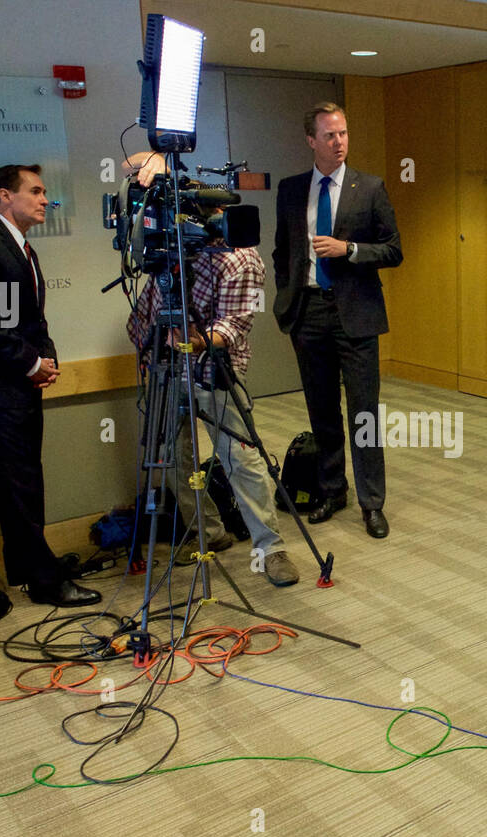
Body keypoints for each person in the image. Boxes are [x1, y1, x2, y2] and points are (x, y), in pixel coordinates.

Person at [125, 155, 300, 587]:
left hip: (214, 370)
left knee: (241, 459)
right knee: (175, 458)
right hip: (167, 369)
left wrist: (193, 340)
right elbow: (147, 308)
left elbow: (233, 326)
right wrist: (149, 350)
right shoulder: (172, 249)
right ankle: (209, 532)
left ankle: (271, 548)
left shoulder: (241, 258)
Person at [0, 164, 100, 606]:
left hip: (19, 383)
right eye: (35, 192)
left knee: (17, 480)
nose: (44, 200)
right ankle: (45, 581)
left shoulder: (23, 248)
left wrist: (47, 357)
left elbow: (32, 319)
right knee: (23, 483)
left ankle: (24, 566)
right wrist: (31, 362)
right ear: (4, 195)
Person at [273, 102, 403, 538]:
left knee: (362, 413)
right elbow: (281, 252)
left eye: (343, 133)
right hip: (308, 312)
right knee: (322, 410)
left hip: (356, 314)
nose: (339, 142)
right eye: (329, 135)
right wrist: (286, 297)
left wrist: (349, 250)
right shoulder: (291, 190)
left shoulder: (370, 188)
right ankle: (332, 489)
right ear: (311, 140)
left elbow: (393, 249)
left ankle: (372, 503)